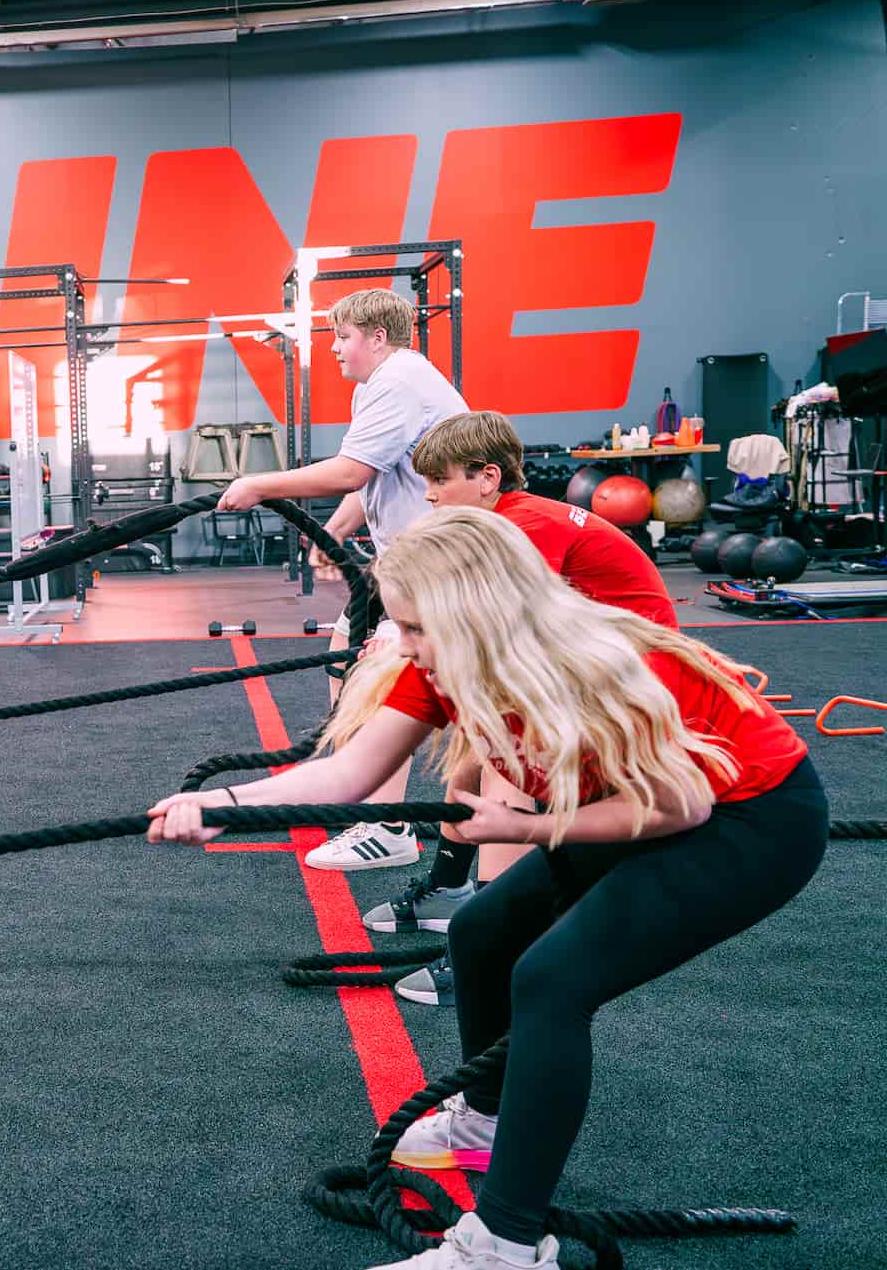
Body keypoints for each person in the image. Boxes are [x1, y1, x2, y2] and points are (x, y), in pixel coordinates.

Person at [148, 508, 823, 1270]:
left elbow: (678, 806)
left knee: (552, 979)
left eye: (414, 625)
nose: (401, 642)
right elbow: (347, 773)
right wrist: (223, 807)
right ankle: (486, 1120)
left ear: (473, 613)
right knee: (481, 931)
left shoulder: (595, 660)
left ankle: (502, 1246)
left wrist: (524, 825)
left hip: (747, 819)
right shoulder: (442, 658)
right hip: (639, 806)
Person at [369, 410, 679, 1007]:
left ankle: (496, 941)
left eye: (440, 479)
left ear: (487, 478)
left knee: (500, 752)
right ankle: (448, 888)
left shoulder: (523, 526)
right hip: (603, 662)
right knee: (474, 744)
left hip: (636, 677)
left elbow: (498, 632)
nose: (430, 494)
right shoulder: (508, 522)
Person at [216, 287, 466, 872]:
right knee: (346, 657)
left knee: (376, 675)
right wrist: (330, 533)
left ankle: (385, 823)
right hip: (410, 562)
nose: (335, 350)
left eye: (343, 337)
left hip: (439, 564)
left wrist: (258, 484)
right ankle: (364, 798)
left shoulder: (398, 382)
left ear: (376, 338)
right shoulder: (385, 385)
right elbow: (371, 479)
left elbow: (351, 470)